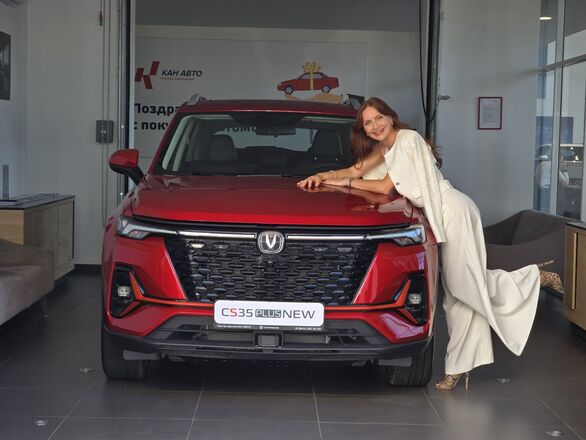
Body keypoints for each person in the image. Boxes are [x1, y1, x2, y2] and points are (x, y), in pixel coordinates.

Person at [297, 97, 563, 390]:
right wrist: (321, 177)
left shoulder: (408, 139)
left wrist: (343, 184)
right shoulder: (385, 149)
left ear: (390, 116)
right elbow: (354, 170)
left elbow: (384, 186)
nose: (374, 126)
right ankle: (459, 367)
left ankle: (532, 278)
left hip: (453, 211)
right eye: (367, 123)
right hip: (438, 216)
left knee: (463, 285)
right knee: (455, 297)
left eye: (378, 119)